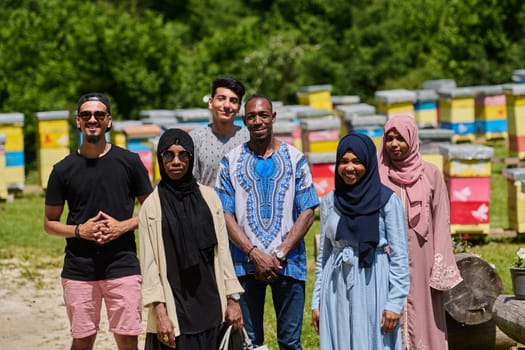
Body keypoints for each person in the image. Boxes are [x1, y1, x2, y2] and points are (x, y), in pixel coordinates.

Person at [44, 92, 153, 350]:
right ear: (78, 122)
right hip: (79, 268)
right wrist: (80, 231)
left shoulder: (130, 162)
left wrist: (121, 227)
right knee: (82, 340)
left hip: (122, 264)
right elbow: (49, 223)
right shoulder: (62, 170)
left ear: (109, 121)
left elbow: (153, 210)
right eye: (86, 115)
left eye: (99, 114)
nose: (92, 119)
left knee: (127, 340)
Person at [215, 94, 320, 350]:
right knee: (250, 342)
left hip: (289, 264)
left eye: (263, 115)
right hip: (244, 264)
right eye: (251, 116)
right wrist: (253, 253)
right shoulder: (230, 161)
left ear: (273, 118)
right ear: (244, 120)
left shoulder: (295, 159)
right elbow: (224, 214)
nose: (258, 120)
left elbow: (307, 210)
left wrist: (280, 253)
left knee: (290, 342)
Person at [138, 128, 244, 350]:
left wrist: (233, 300)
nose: (176, 161)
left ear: (191, 158)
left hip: (212, 307)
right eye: (169, 155)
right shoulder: (151, 206)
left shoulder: (209, 197)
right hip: (176, 310)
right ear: (160, 159)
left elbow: (223, 252)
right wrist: (160, 314)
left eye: (183, 155)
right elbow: (149, 266)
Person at [311, 132, 410, 349]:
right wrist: (316, 300)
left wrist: (394, 303)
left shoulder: (387, 201)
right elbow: (324, 255)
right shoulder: (330, 202)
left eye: (356, 161)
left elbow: (401, 256)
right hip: (336, 283)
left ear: (368, 163)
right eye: (344, 161)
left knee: (374, 340)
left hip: (373, 280)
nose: (349, 168)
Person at [378, 115, 462, 349]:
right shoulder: (377, 174)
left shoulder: (431, 174)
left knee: (425, 317)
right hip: (386, 259)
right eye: (389, 138)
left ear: (412, 139)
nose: (394, 144)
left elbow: (441, 222)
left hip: (423, 260)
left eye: (401, 138)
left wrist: (440, 265)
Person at [189, 76, 249, 187]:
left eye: (233, 101)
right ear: (211, 103)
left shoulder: (248, 138)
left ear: (239, 108)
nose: (226, 105)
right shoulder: (195, 138)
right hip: (205, 204)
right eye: (221, 98)